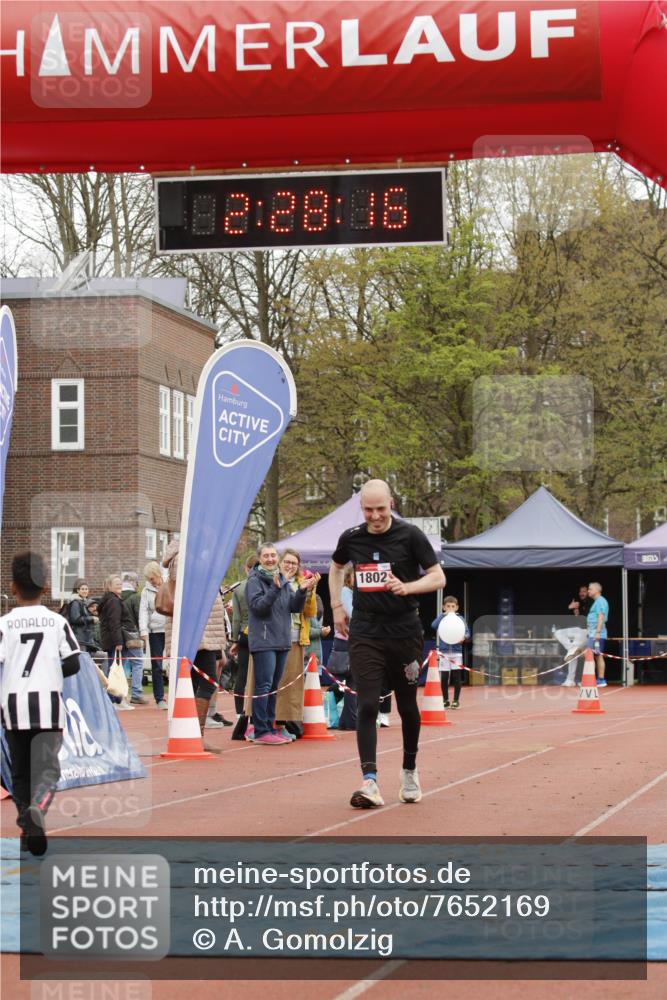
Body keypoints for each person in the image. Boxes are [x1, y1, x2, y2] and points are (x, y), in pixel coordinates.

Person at [329, 479, 445, 808]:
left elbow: (439, 577)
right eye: (369, 510)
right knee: (366, 704)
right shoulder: (352, 538)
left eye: (381, 509)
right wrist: (337, 605)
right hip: (366, 631)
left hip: (404, 631)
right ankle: (370, 782)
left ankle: (409, 769)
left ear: (391, 503)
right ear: (361, 508)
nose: (376, 516)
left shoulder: (410, 536)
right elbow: (335, 567)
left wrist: (407, 588)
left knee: (407, 706)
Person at [0, 552, 80, 855]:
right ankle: (37, 810)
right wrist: (49, 671)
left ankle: (26, 824)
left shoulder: (5, 625)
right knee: (47, 771)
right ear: (45, 588)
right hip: (47, 705)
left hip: (13, 707)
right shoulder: (57, 622)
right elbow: (73, 663)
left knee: (19, 771)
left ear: (13, 587)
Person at [245, 543, 318, 746]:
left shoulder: (283, 579)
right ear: (259, 558)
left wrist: (302, 591)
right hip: (264, 640)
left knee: (274, 687)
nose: (270, 559)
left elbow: (293, 607)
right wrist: (275, 588)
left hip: (282, 640)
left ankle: (270, 726)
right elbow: (259, 608)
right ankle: (260, 730)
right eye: (266, 556)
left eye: (272, 555)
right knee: (264, 685)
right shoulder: (254, 580)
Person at [274, 549, 319, 740]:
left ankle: (283, 724)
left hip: (296, 637)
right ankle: (267, 723)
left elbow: (310, 612)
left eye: (294, 563)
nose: (290, 566)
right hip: (274, 638)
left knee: (291, 686)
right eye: (287, 561)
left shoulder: (303, 582)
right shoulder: (273, 580)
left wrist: (309, 591)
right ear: (280, 562)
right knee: (274, 682)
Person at [230, 555, 256, 740]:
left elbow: (236, 618)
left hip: (245, 635)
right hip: (262, 634)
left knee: (242, 674)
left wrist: (234, 640)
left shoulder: (239, 589)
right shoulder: (265, 584)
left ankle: (240, 712)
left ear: (247, 568)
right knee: (261, 676)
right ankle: (256, 714)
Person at [98, 574, 133, 711]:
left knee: (116, 670)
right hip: (115, 641)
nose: (120, 585)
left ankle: (117, 699)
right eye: (116, 583)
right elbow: (114, 622)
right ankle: (116, 699)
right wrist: (119, 642)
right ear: (109, 586)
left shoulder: (111, 600)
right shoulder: (113, 601)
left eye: (120, 583)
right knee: (117, 671)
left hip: (111, 639)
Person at [431, 595, 470, 708]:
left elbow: (467, 632)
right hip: (444, 652)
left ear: (457, 607)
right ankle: (445, 700)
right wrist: (443, 615)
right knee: (444, 677)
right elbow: (433, 625)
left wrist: (464, 637)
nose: (450, 609)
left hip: (456, 652)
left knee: (456, 676)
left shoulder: (460, 619)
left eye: (453, 606)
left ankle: (456, 701)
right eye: (448, 606)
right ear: (444, 607)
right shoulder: (442, 618)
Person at [139, 561, 168, 709]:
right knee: (156, 664)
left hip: (169, 628)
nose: (151, 581)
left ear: (158, 574)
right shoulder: (146, 591)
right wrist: (143, 631)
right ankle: (159, 698)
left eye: (152, 578)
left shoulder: (169, 583)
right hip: (155, 630)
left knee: (175, 662)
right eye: (149, 579)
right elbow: (143, 611)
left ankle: (178, 694)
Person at [120, 571, 149, 705]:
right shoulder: (135, 597)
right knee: (137, 663)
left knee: (122, 664)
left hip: (119, 636)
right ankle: (136, 693)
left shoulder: (117, 596)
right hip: (132, 634)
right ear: (133, 582)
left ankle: (122, 693)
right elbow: (140, 616)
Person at [66, 579, 98, 653]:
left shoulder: (83, 602)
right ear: (78, 590)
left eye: (86, 589)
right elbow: (76, 619)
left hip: (84, 639)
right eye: (82, 589)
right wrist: (91, 619)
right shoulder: (75, 602)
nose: (85, 591)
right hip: (79, 638)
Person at [587, 582, 609, 686]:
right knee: (594, 656)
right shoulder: (598, 601)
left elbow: (601, 616)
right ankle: (597, 679)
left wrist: (597, 632)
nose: (588, 591)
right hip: (593, 633)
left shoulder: (601, 601)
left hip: (596, 634)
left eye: (590, 589)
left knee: (596, 655)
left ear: (596, 590)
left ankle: (600, 680)